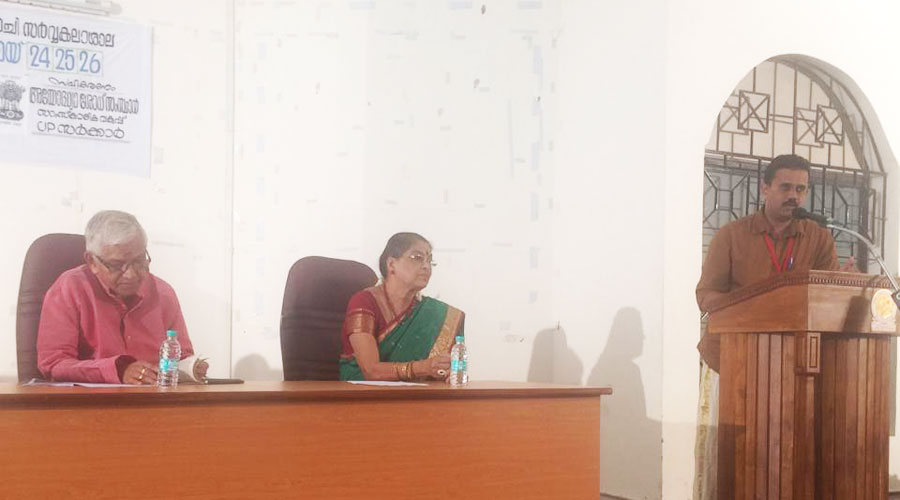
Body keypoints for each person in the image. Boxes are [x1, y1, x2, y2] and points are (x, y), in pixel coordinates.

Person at [692, 154, 854, 499]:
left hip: (797, 363)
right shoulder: (732, 235)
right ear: (765, 188)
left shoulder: (818, 238)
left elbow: (825, 297)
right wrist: (751, 310)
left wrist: (843, 286)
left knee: (788, 452)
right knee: (737, 453)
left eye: (801, 189)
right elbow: (706, 294)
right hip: (734, 360)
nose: (794, 195)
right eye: (785, 187)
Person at [36, 210, 208, 385]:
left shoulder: (163, 293)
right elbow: (53, 364)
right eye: (117, 265)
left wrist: (191, 367)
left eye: (139, 261)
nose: (131, 274)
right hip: (91, 400)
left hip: (155, 397)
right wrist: (118, 370)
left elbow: (181, 356)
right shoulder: (69, 288)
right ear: (92, 261)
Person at [339, 232, 464, 381]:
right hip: (362, 393)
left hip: (420, 394)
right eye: (417, 258)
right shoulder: (364, 302)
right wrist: (424, 367)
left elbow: (453, 371)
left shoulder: (439, 314)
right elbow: (371, 371)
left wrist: (449, 371)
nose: (426, 266)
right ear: (391, 264)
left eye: (430, 260)